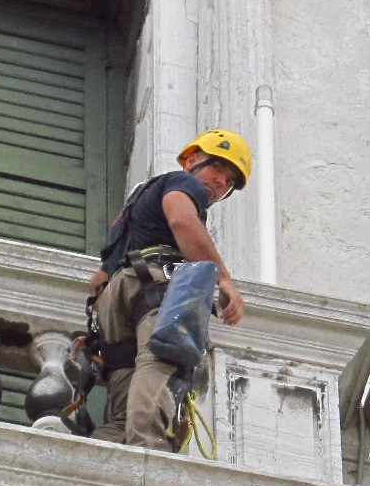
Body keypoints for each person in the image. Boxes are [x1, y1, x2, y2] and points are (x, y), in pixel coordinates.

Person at [88, 129, 250, 448]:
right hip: (153, 284)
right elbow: (183, 222)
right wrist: (223, 278)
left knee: (125, 375)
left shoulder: (133, 208)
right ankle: (149, 448)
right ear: (191, 160)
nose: (221, 182)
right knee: (160, 360)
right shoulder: (183, 183)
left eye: (230, 181)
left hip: (117, 296)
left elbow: (99, 281)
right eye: (217, 167)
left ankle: (110, 441)